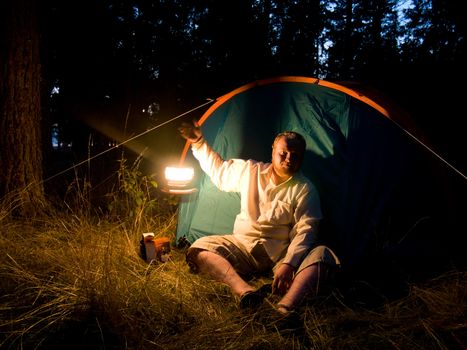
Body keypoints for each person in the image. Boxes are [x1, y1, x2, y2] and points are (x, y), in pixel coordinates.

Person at [178, 120, 340, 319]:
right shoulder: (250, 171)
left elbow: (306, 230)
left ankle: (284, 309)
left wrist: (289, 264)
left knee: (323, 255)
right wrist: (199, 142)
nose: (289, 159)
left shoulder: (305, 189)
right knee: (199, 248)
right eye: (284, 153)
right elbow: (220, 172)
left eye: (295, 156)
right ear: (273, 150)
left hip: (278, 254)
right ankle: (245, 292)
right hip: (242, 247)